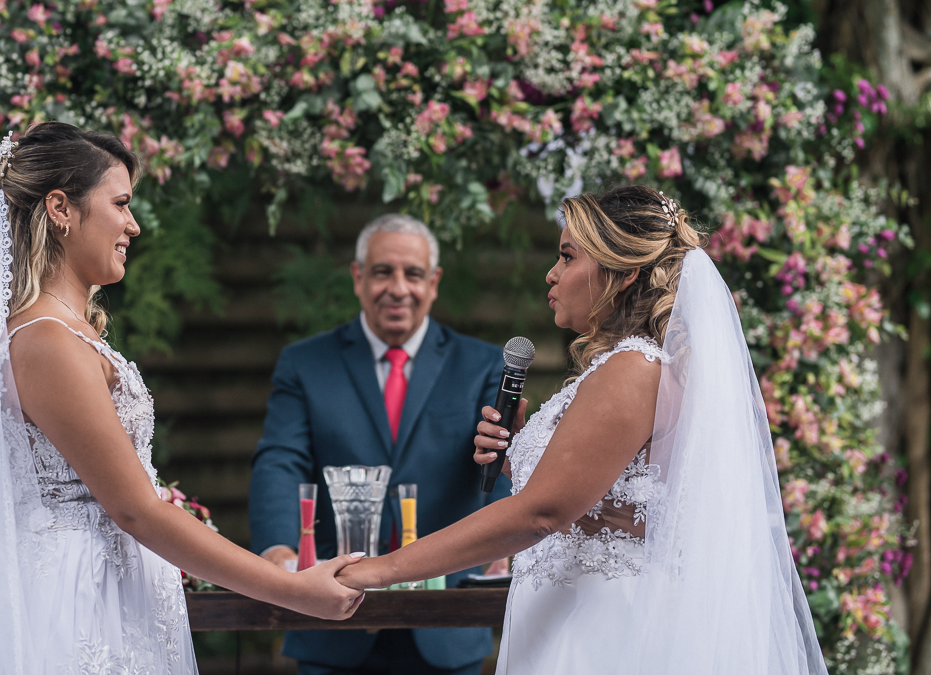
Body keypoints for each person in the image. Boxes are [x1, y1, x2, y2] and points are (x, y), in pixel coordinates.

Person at [0, 122, 364, 675]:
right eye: (121, 204)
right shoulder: (46, 341)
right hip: (73, 609)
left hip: (114, 594)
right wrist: (289, 590)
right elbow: (134, 508)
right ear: (61, 208)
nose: (134, 224)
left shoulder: (69, 333)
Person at [335, 185, 828, 674]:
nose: (552, 274)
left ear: (623, 270)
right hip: (574, 615)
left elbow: (542, 514)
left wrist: (380, 570)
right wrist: (520, 458)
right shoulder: (634, 366)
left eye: (568, 257)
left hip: (602, 631)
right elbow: (610, 505)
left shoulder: (633, 368)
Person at [250, 213, 511, 675]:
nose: (398, 288)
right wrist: (279, 553)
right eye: (382, 272)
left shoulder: (483, 365)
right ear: (357, 277)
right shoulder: (305, 363)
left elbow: (499, 463)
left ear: (433, 282)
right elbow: (280, 462)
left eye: (412, 274)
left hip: (446, 619)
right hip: (331, 615)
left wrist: (504, 546)